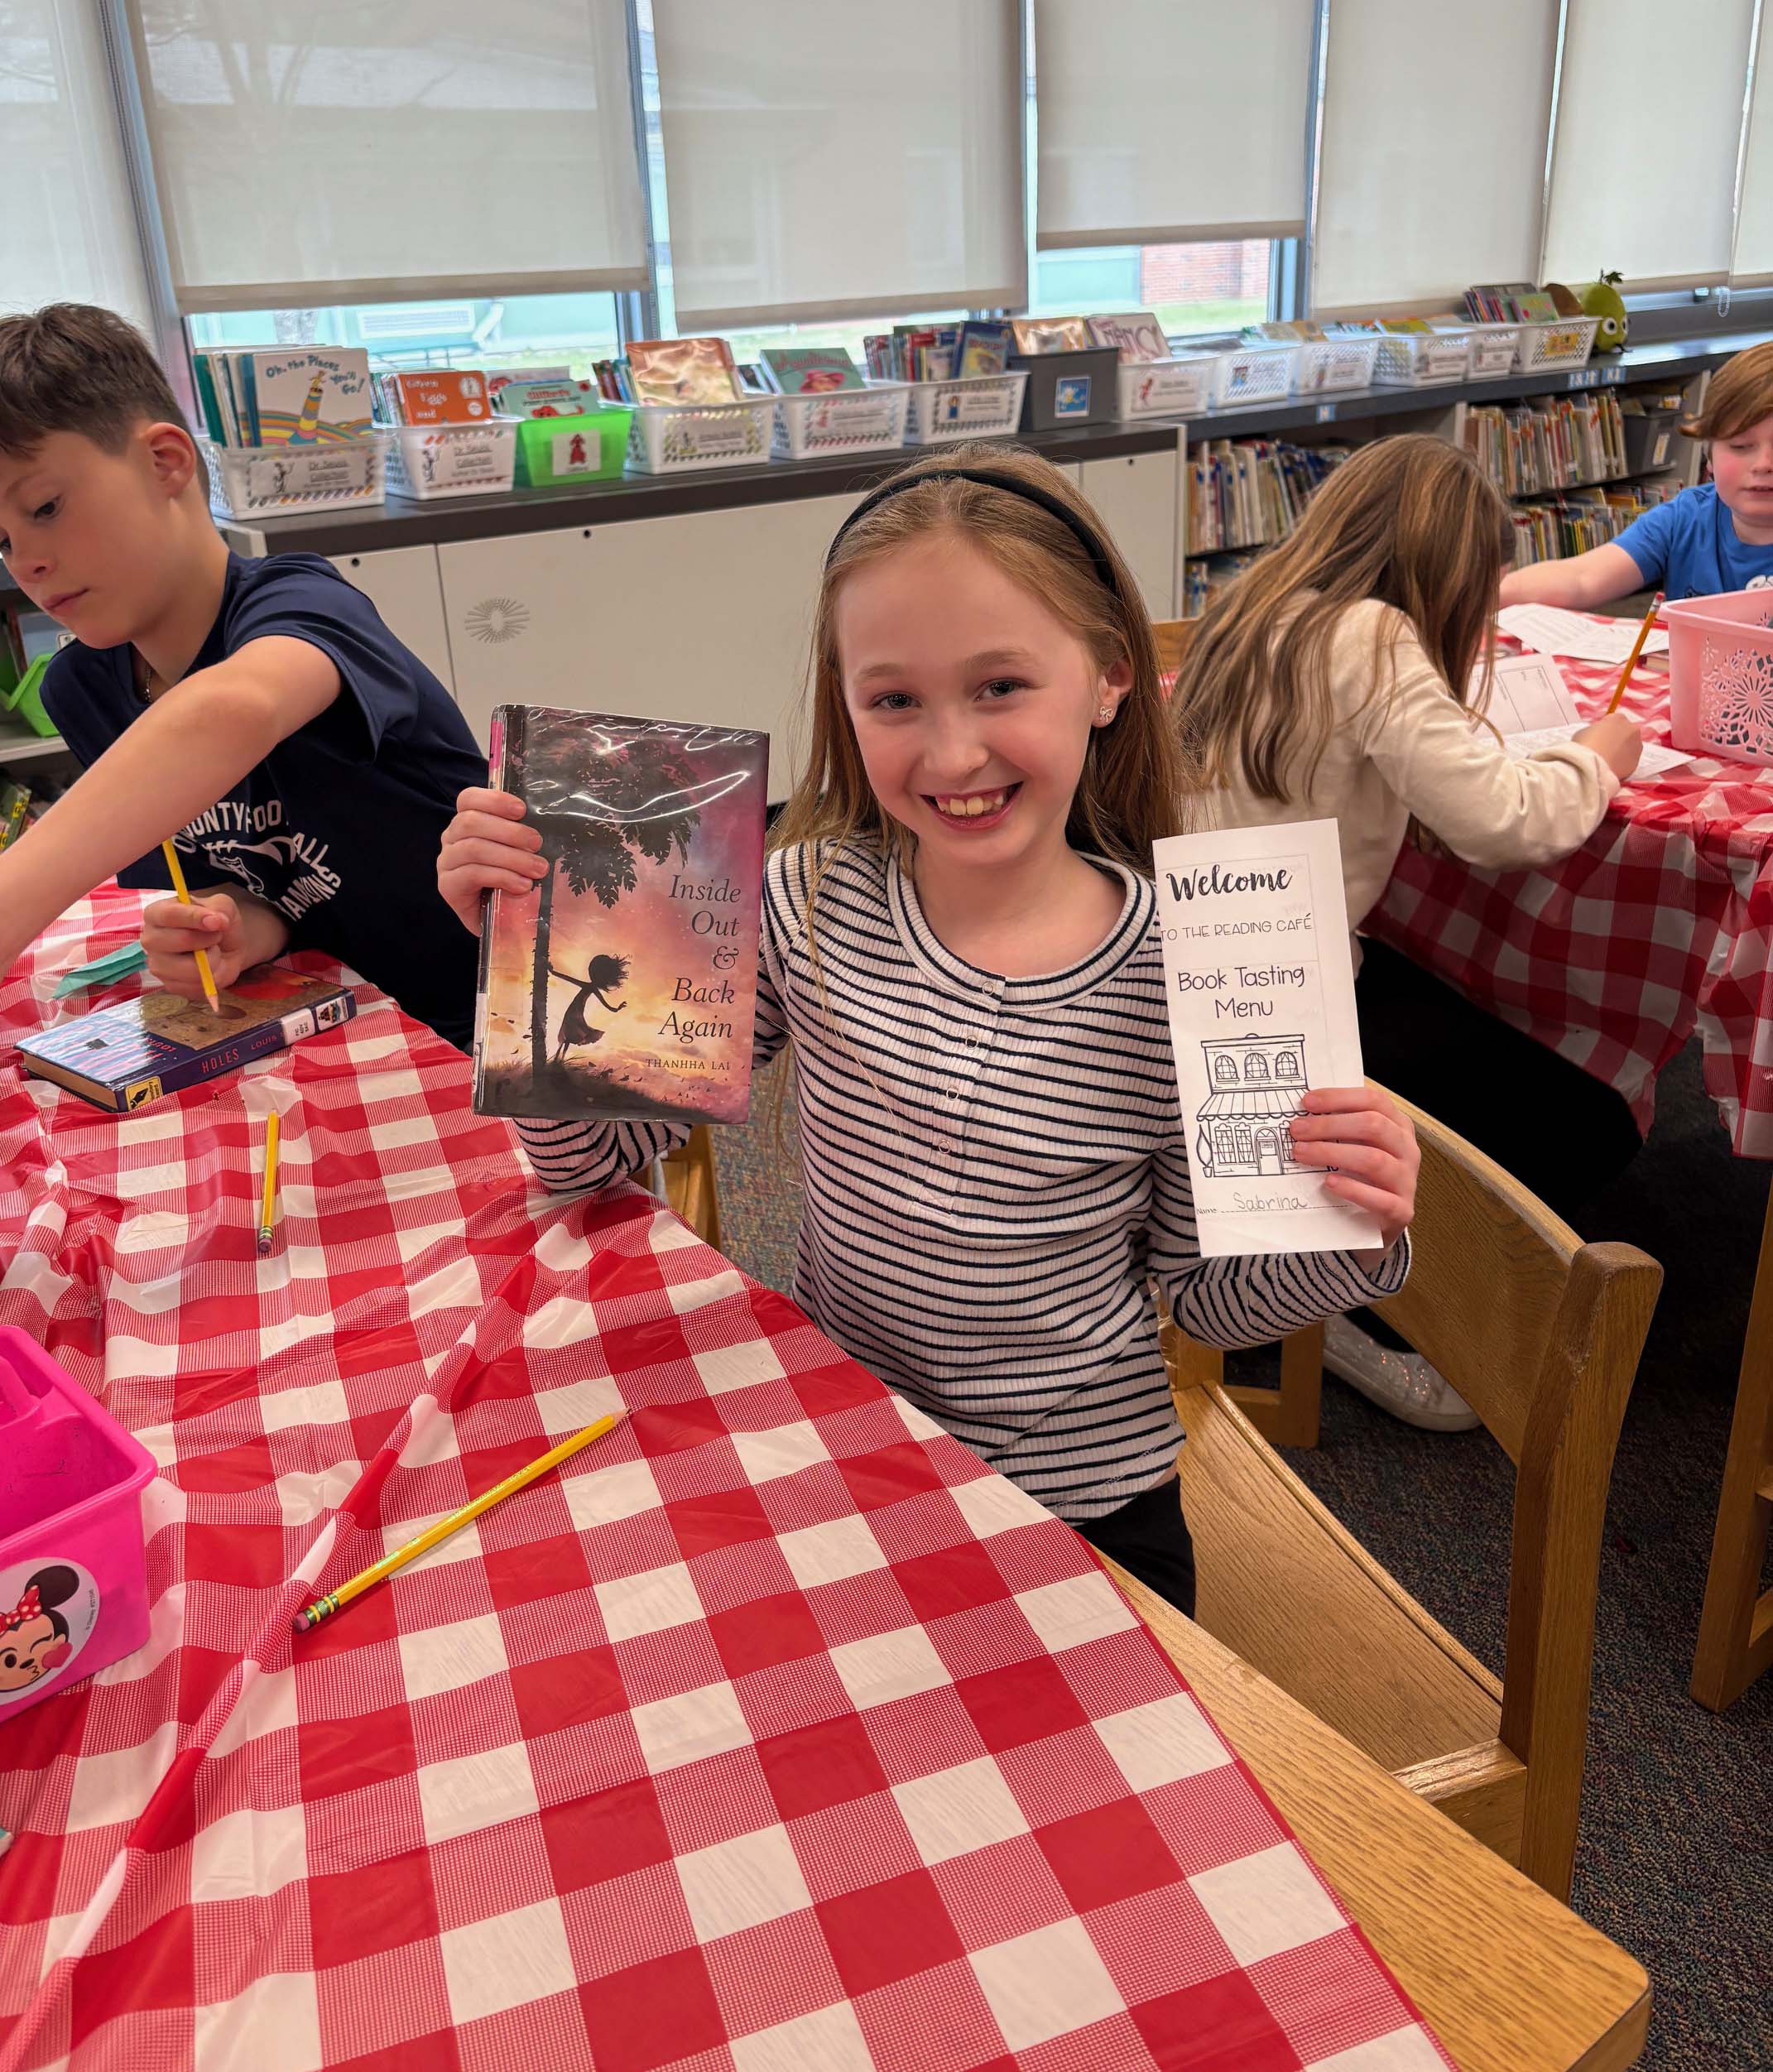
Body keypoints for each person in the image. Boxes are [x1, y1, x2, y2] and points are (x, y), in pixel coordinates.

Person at [437, 445, 1420, 1618]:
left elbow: (1204, 1304)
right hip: (846, 1451)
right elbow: (592, 1165)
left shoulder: (1199, 971)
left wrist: (1342, 1228)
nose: (951, 754)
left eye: (1000, 686)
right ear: (844, 705)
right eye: (894, 699)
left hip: (1084, 1504)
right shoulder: (803, 901)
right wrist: (532, 975)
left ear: (1111, 679)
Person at [1172, 434, 1641, 1430]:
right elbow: (1504, 821)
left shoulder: (1257, 602)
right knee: (1586, 1124)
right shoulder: (1374, 635)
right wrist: (1603, 755)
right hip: (1278, 995)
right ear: (1445, 572)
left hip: (1210, 963)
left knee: (1444, 1005)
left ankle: (1318, 1260)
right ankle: (1364, 1306)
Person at [0, 304, 485, 1047]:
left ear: (165, 461)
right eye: (1, 541)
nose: (25, 561)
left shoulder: (307, 605)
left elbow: (229, 710)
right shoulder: (83, 690)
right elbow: (258, 890)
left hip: (480, 1024)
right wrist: (235, 926)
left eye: (45, 507)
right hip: (331, 1028)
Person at [1500, 339, 1773, 607]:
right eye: (1740, 446)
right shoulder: (1685, 520)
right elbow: (1582, 577)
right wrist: (1488, 596)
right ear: (1709, 455)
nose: (1763, 464)